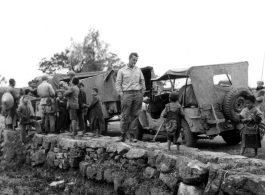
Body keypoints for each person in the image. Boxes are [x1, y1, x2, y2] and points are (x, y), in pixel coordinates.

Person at [115, 52, 146, 142]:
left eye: (136, 60)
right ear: (129, 59)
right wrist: (121, 94)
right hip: (126, 94)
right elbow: (118, 83)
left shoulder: (138, 70)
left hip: (137, 94)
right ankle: (122, 135)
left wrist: (142, 93)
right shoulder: (122, 71)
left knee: (135, 115)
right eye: (133, 60)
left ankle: (132, 136)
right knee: (125, 115)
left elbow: (142, 81)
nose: (135, 62)